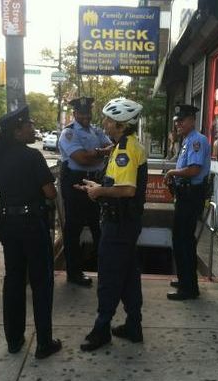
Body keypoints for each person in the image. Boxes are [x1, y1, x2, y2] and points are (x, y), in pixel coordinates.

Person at [0, 105, 61, 359]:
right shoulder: (32, 157)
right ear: (17, 131)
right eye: (28, 124)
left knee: (14, 281)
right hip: (33, 225)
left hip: (9, 225)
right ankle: (44, 343)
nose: (33, 128)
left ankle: (14, 340)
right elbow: (50, 192)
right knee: (41, 283)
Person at [76, 98, 147, 352]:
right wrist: (98, 188)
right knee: (128, 275)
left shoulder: (126, 149)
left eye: (107, 119)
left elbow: (127, 190)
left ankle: (101, 328)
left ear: (119, 124)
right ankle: (133, 325)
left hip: (119, 225)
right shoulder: (124, 145)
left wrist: (99, 193)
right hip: (125, 223)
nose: (104, 123)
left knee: (108, 277)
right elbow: (117, 185)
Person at [58, 96, 112, 287]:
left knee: (100, 226)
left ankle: (105, 270)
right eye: (81, 113)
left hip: (96, 180)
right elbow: (81, 159)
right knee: (74, 229)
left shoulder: (96, 130)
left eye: (87, 113)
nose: (85, 117)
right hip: (75, 182)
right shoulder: (69, 134)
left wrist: (95, 154)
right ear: (74, 114)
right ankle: (74, 273)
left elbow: (111, 148)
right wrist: (100, 153)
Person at [164, 104, 211, 301]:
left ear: (192, 120)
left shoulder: (196, 141)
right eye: (176, 121)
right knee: (180, 239)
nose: (178, 124)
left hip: (192, 196)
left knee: (183, 241)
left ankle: (189, 288)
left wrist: (172, 172)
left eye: (182, 120)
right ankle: (185, 279)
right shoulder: (186, 141)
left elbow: (193, 170)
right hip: (185, 195)